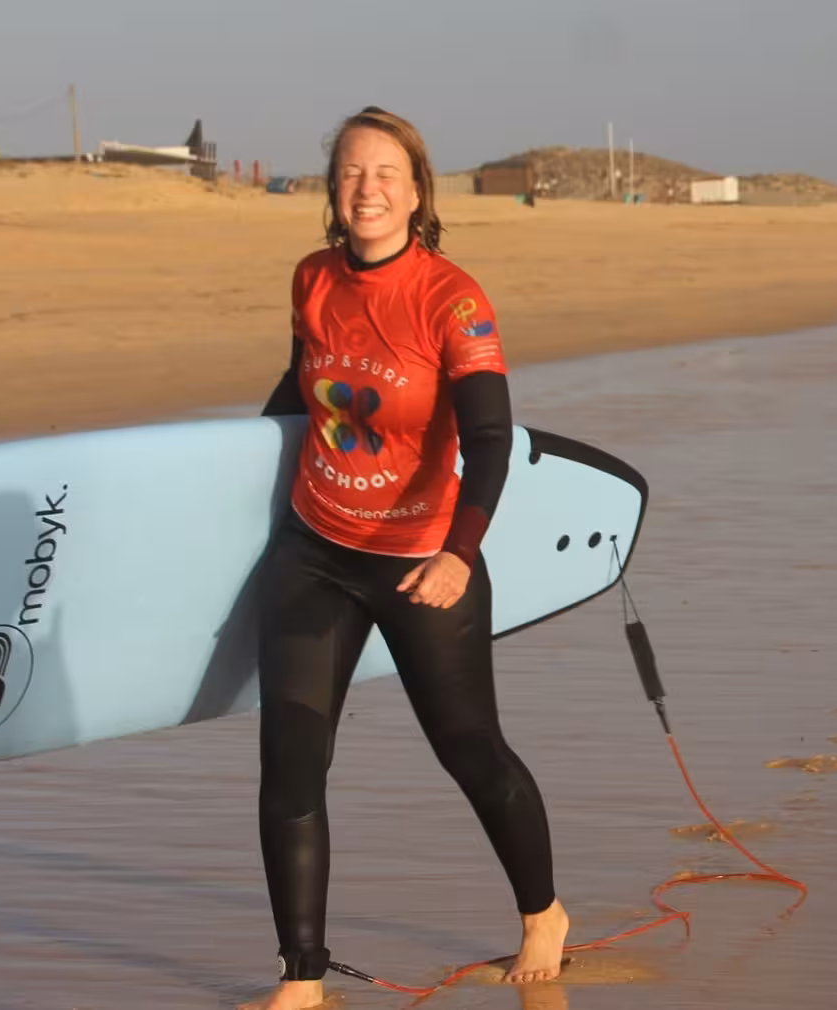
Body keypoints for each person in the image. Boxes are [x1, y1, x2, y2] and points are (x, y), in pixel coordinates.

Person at [245, 106, 570, 1010]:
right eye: (351, 172)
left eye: (386, 172)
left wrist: (460, 555)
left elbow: (493, 441)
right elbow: (297, 392)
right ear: (332, 189)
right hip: (315, 551)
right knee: (291, 762)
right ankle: (302, 980)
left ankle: (543, 914)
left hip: (424, 556)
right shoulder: (313, 278)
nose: (367, 189)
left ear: (418, 190)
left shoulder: (451, 299)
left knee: (470, 749)